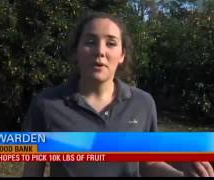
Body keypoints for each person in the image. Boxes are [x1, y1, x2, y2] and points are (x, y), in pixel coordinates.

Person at [21, 11, 214, 177]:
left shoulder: (143, 103)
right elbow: (32, 171)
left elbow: (149, 163)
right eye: (90, 42)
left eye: (111, 43)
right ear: (76, 52)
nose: (100, 52)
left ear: (122, 55)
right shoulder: (46, 104)